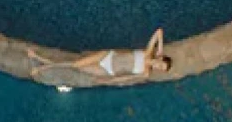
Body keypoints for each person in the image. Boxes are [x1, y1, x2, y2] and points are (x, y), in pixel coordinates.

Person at [28, 29, 170, 84]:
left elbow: (128, 77)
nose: (157, 67)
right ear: (160, 59)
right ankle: (42, 64)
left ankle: (42, 65)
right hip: (107, 56)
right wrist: (160, 50)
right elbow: (159, 32)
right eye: (161, 64)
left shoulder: (146, 73)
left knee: (77, 68)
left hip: (108, 71)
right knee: (75, 64)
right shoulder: (148, 52)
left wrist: (108, 81)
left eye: (160, 69)